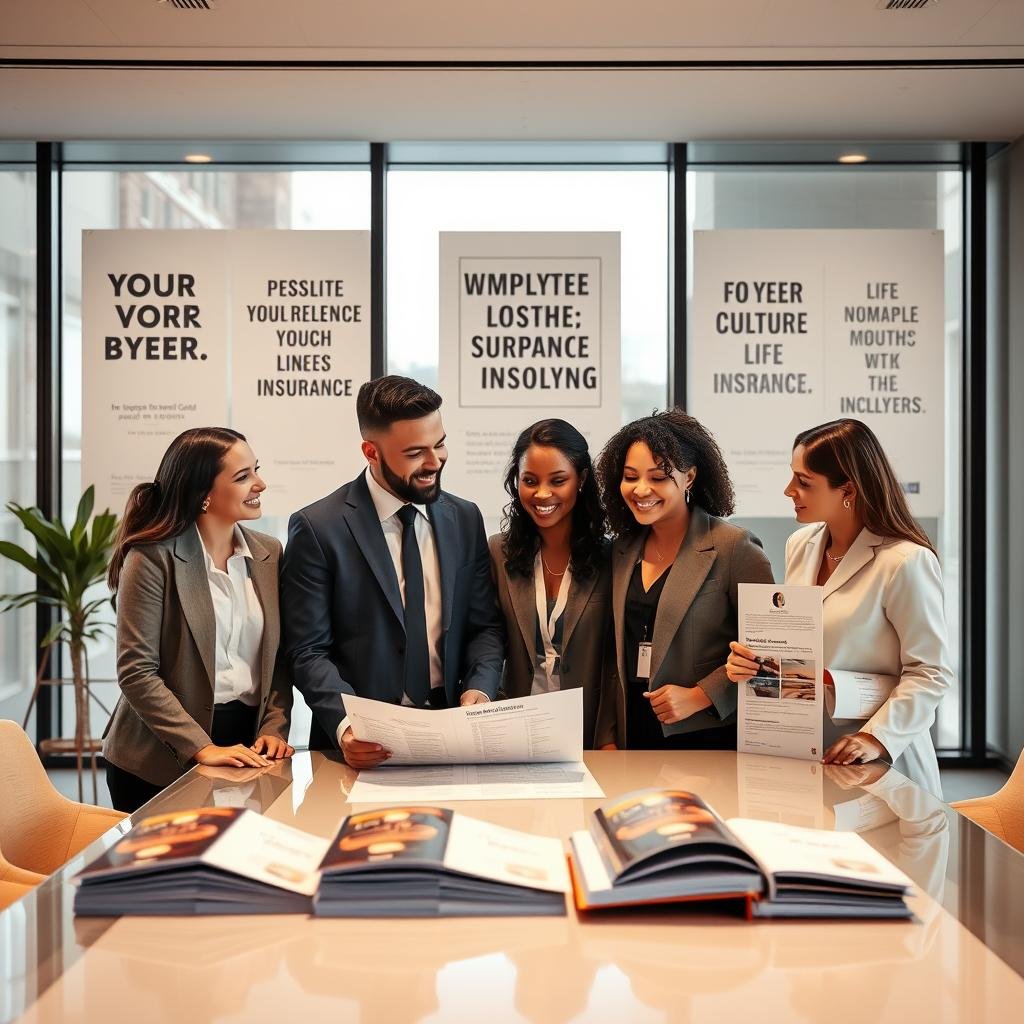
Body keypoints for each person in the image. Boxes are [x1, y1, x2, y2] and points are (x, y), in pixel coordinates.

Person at [280, 375, 505, 767]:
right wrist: (348, 726)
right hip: (359, 744)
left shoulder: (465, 517)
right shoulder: (318, 528)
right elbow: (307, 649)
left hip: (455, 730)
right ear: (371, 452)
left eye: (440, 444)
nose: (435, 462)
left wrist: (480, 693)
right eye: (416, 452)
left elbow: (484, 625)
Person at [726, 418, 952, 797]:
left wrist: (875, 738)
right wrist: (757, 666)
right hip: (807, 751)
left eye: (804, 482)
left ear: (848, 489)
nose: (789, 490)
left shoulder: (905, 561)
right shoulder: (801, 544)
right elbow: (804, 653)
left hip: (879, 760)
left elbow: (930, 672)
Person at [103, 428, 294, 814]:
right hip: (157, 758)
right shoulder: (152, 557)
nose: (260, 484)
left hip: (246, 749)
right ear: (203, 493)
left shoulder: (269, 552)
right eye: (242, 477)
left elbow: (279, 658)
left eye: (255, 470)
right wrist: (201, 747)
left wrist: (274, 727)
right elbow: (137, 672)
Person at [594, 410, 774, 750]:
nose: (641, 489)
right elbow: (611, 657)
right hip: (631, 734)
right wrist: (607, 736)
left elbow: (768, 650)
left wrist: (701, 694)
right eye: (630, 476)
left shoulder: (734, 547)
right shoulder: (620, 551)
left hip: (705, 735)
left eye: (659, 477)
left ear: (689, 477)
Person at [488, 419, 610, 748]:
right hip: (515, 731)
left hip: (587, 734)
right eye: (530, 481)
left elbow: (617, 661)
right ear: (516, 482)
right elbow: (487, 637)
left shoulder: (612, 557)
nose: (542, 494)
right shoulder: (498, 552)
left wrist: (608, 735)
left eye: (558, 480)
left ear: (581, 479)